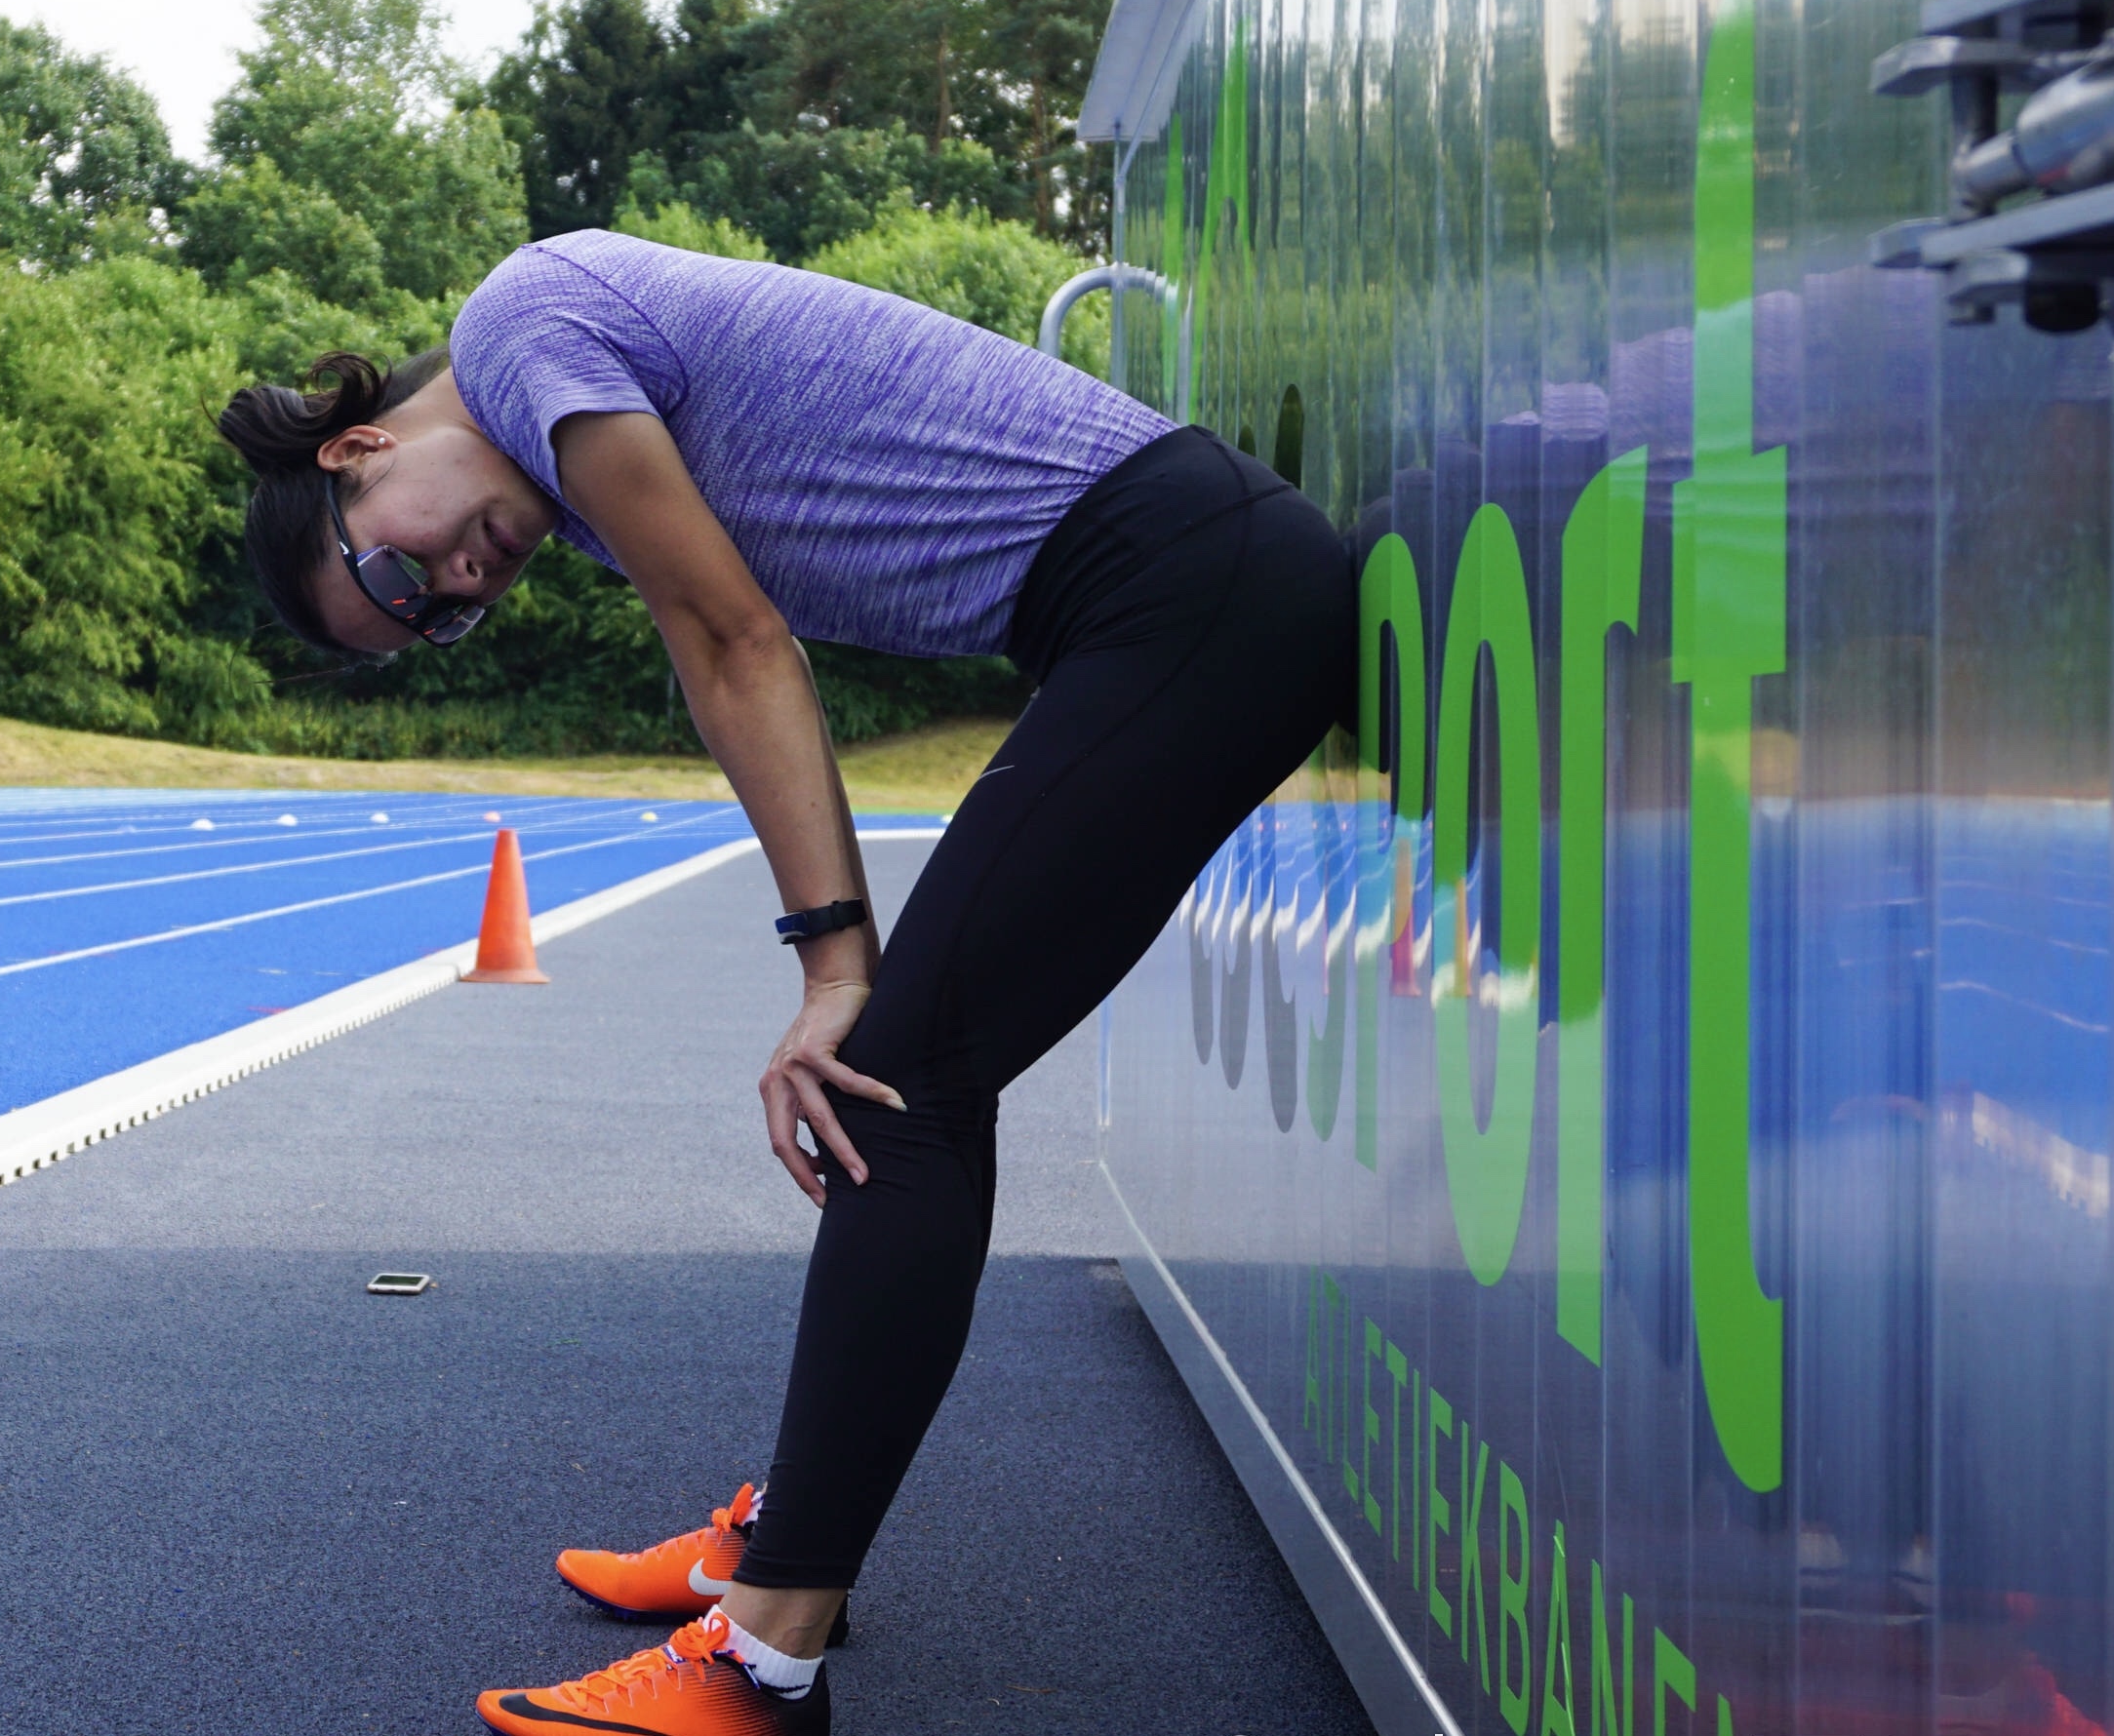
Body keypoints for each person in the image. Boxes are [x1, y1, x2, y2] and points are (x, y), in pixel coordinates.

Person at [212, 228, 1353, 1734]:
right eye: (428, 615)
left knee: (894, 1082)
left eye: (398, 565)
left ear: (362, 447)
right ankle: (779, 1551)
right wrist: (840, 961)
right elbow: (730, 649)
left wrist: (835, 966)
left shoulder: (517, 324)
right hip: (1163, 591)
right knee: (909, 1076)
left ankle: (762, 1658)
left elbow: (736, 637)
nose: (451, 584)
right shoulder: (574, 466)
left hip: (1185, 584)